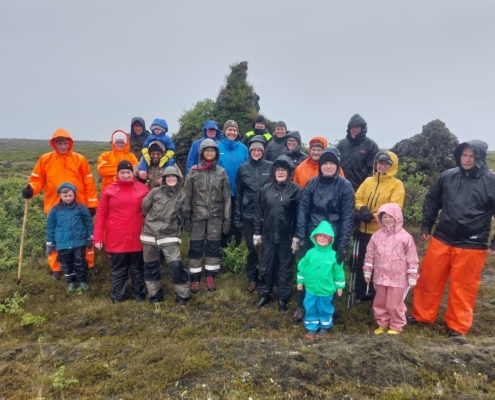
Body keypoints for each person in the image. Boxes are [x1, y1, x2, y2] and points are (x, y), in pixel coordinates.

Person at [408, 140, 495, 337]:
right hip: (442, 237)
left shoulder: (491, 181)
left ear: (480, 158)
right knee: (429, 278)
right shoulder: (447, 176)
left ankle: (458, 325)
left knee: (463, 286)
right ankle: (422, 315)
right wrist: (426, 224)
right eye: (464, 155)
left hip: (472, 243)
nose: (467, 159)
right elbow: (432, 199)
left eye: (472, 156)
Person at [21, 128, 99, 281]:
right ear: (54, 144)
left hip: (78, 206)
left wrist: (91, 204)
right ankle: (57, 268)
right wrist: (31, 190)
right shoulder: (45, 159)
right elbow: (37, 180)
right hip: (54, 207)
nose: (63, 146)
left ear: (70, 144)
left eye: (65, 143)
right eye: (60, 143)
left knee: (84, 237)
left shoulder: (80, 159)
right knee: (57, 238)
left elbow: (89, 183)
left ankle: (88, 264)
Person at [293, 147, 355, 323]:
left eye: (332, 163)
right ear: (320, 165)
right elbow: (303, 211)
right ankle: (301, 306)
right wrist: (302, 236)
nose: (328, 166)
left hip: (333, 237)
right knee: (306, 269)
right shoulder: (311, 184)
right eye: (325, 163)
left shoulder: (345, 186)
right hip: (313, 236)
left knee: (331, 272)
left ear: (337, 166)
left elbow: (348, 216)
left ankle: (328, 307)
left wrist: (343, 243)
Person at [94, 160, 149, 303]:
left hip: (138, 235)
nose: (125, 175)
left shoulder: (143, 189)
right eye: (122, 172)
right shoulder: (109, 190)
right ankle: (118, 296)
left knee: (138, 268)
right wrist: (98, 238)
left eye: (128, 172)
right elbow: (101, 214)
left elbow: (151, 212)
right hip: (116, 236)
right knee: (119, 269)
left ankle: (139, 294)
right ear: (118, 173)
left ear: (133, 173)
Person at [353, 151, 405, 303]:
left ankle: (379, 297)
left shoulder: (397, 185)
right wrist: (362, 208)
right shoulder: (368, 180)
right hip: (363, 230)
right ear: (375, 164)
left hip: (383, 233)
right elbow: (357, 197)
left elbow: (395, 207)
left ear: (392, 166)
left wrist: (373, 216)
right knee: (363, 262)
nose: (382, 166)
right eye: (380, 163)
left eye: (386, 163)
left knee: (381, 265)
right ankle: (362, 293)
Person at [254, 155, 301, 312]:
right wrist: (257, 233)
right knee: (266, 267)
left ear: (289, 172)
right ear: (273, 171)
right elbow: (258, 213)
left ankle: (283, 298)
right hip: (267, 236)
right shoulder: (264, 190)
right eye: (278, 169)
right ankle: (264, 294)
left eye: (284, 170)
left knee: (285, 268)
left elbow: (299, 216)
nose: (280, 172)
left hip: (287, 237)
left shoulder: (296, 190)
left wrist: (297, 236)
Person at [183, 139, 231, 292]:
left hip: (215, 217)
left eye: (212, 150)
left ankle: (210, 276)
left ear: (216, 153)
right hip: (196, 217)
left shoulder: (221, 172)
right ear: (201, 153)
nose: (209, 153)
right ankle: (195, 278)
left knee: (213, 247)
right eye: (206, 150)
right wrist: (186, 215)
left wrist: (227, 219)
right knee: (196, 247)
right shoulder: (193, 171)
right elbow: (187, 195)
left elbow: (227, 198)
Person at [363, 203, 419, 335]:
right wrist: (367, 270)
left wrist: (412, 276)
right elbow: (370, 254)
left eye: (390, 217)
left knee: (394, 304)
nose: (387, 219)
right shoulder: (376, 236)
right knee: (380, 302)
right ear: (380, 219)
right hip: (380, 276)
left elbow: (412, 257)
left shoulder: (405, 237)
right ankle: (382, 323)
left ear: (397, 217)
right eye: (384, 217)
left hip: (398, 278)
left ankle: (396, 325)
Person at [140, 166, 190, 306]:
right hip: (149, 235)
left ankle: (182, 296)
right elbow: (145, 206)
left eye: (174, 177)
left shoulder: (182, 196)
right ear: (164, 179)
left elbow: (185, 214)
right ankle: (155, 295)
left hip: (170, 236)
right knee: (151, 266)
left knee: (175, 265)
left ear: (179, 179)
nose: (171, 179)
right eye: (168, 177)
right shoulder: (155, 192)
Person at [234, 136, 273, 292]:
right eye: (253, 150)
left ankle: (267, 278)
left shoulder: (271, 166)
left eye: (259, 150)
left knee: (267, 248)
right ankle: (252, 278)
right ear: (249, 151)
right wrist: (237, 217)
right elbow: (238, 193)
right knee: (252, 248)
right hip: (248, 214)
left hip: (267, 215)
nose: (256, 152)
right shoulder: (243, 168)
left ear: (263, 151)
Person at [297, 220, 345, 339]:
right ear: (315, 237)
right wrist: (300, 281)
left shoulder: (334, 255)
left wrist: (340, 287)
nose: (322, 238)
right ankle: (311, 327)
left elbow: (339, 273)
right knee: (310, 307)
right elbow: (301, 267)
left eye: (325, 236)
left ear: (330, 239)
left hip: (326, 289)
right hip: (311, 289)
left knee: (325, 308)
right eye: (319, 236)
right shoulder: (310, 253)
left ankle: (324, 327)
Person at [46, 183, 94, 292]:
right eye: (65, 196)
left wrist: (89, 237)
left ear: (74, 195)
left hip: (79, 241)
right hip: (62, 242)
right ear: (60, 196)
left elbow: (88, 223)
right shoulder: (55, 210)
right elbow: (50, 227)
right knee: (66, 263)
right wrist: (50, 242)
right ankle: (71, 281)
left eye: (70, 195)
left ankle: (81, 280)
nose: (68, 198)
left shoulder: (81, 207)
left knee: (80, 261)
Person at [218, 120, 249, 247]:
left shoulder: (243, 148)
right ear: (224, 131)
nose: (232, 132)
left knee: (237, 221)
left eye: (234, 130)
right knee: (222, 220)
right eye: (229, 129)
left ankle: (235, 248)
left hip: (239, 192)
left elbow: (248, 168)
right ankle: (222, 249)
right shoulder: (217, 147)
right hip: (221, 192)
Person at [337, 114, 379, 191]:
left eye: (357, 127)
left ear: (363, 128)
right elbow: (336, 165)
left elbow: (373, 170)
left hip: (361, 188)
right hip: (341, 187)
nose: (354, 130)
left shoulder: (371, 145)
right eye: (352, 127)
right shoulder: (342, 144)